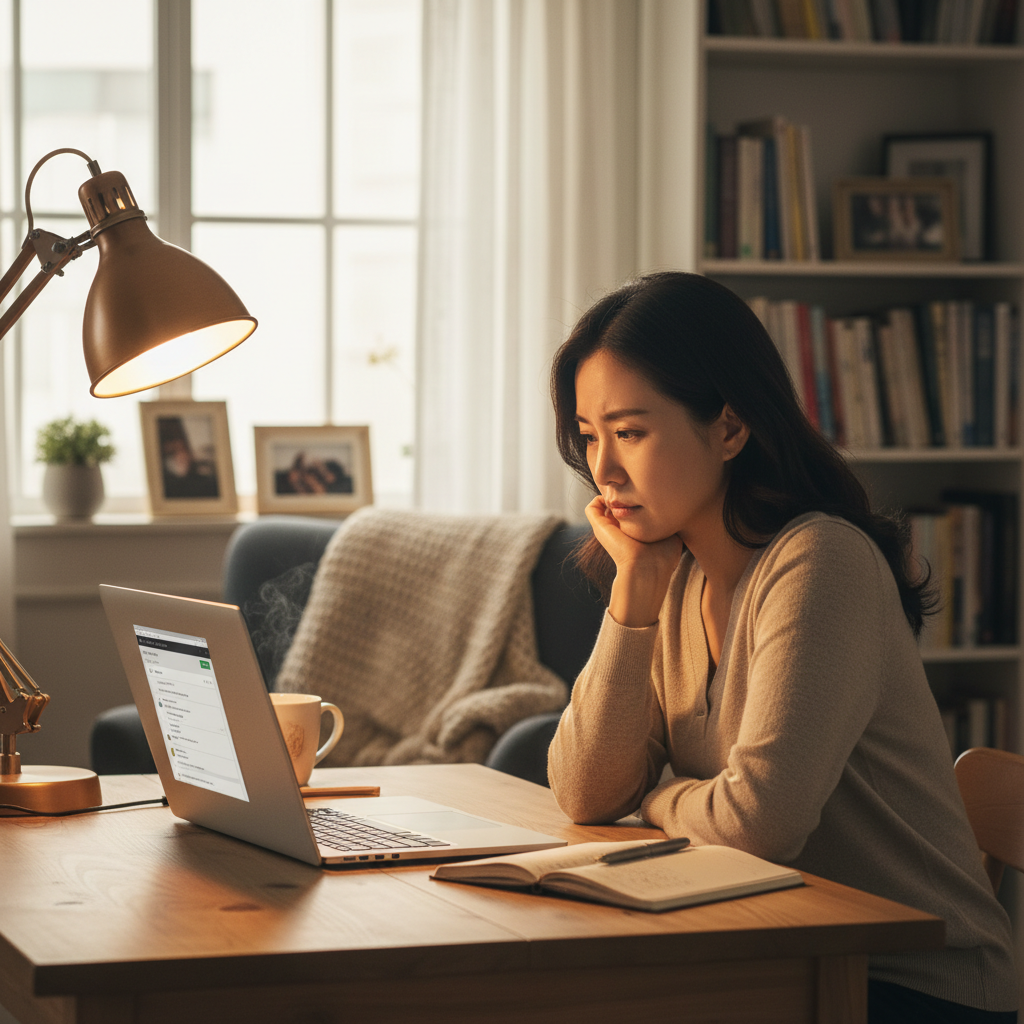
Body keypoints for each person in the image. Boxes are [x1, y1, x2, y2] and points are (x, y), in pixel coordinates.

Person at [547, 271, 1018, 1022]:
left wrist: (657, 799)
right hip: (776, 955)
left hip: (910, 983)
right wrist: (633, 596)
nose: (602, 469)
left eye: (629, 432)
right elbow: (585, 791)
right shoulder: (675, 573)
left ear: (730, 428)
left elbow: (760, 823)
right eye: (589, 435)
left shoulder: (820, 561)